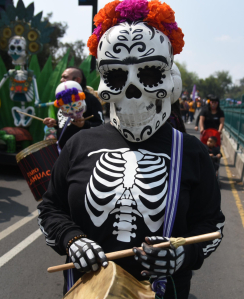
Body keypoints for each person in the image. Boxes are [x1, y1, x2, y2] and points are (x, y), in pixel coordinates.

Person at [38, 3, 224, 298]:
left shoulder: (191, 152)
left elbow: (211, 224)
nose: (133, 91)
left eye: (150, 75)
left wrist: (182, 255)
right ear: (102, 83)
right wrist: (72, 239)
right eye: (115, 77)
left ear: (169, 80)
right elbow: (50, 209)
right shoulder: (78, 145)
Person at [42, 67, 103, 149]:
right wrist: (54, 123)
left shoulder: (91, 100)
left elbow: (101, 126)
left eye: (65, 77)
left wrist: (84, 124)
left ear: (77, 80)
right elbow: (66, 123)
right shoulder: (63, 100)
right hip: (64, 152)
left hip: (83, 152)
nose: (61, 80)